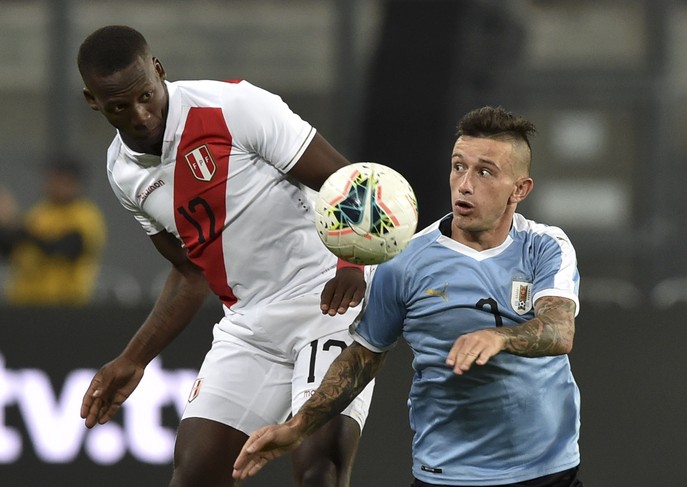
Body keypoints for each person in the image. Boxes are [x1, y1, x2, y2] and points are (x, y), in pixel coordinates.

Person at [76, 25, 374, 487]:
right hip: (250, 325)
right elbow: (189, 273)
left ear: (159, 71)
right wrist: (135, 358)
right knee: (195, 476)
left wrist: (351, 261)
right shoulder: (122, 173)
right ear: (93, 102)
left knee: (320, 469)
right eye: (118, 106)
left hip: (329, 301)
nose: (139, 115)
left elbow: (349, 179)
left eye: (146, 96)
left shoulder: (233, 106)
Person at [233, 106, 584, 487]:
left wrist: (498, 337)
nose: (464, 184)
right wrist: (299, 426)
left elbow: (558, 331)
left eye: (484, 172)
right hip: (447, 475)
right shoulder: (406, 261)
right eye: (458, 166)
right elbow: (364, 358)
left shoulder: (545, 247)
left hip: (547, 473)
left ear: (520, 189)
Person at [0, 160, 106, 306]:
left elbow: (63, 249)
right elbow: (11, 249)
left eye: (61, 180)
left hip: (65, 305)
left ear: (76, 184)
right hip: (24, 304)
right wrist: (6, 225)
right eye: (52, 179)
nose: (54, 185)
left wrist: (21, 228)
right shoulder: (39, 212)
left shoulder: (85, 215)